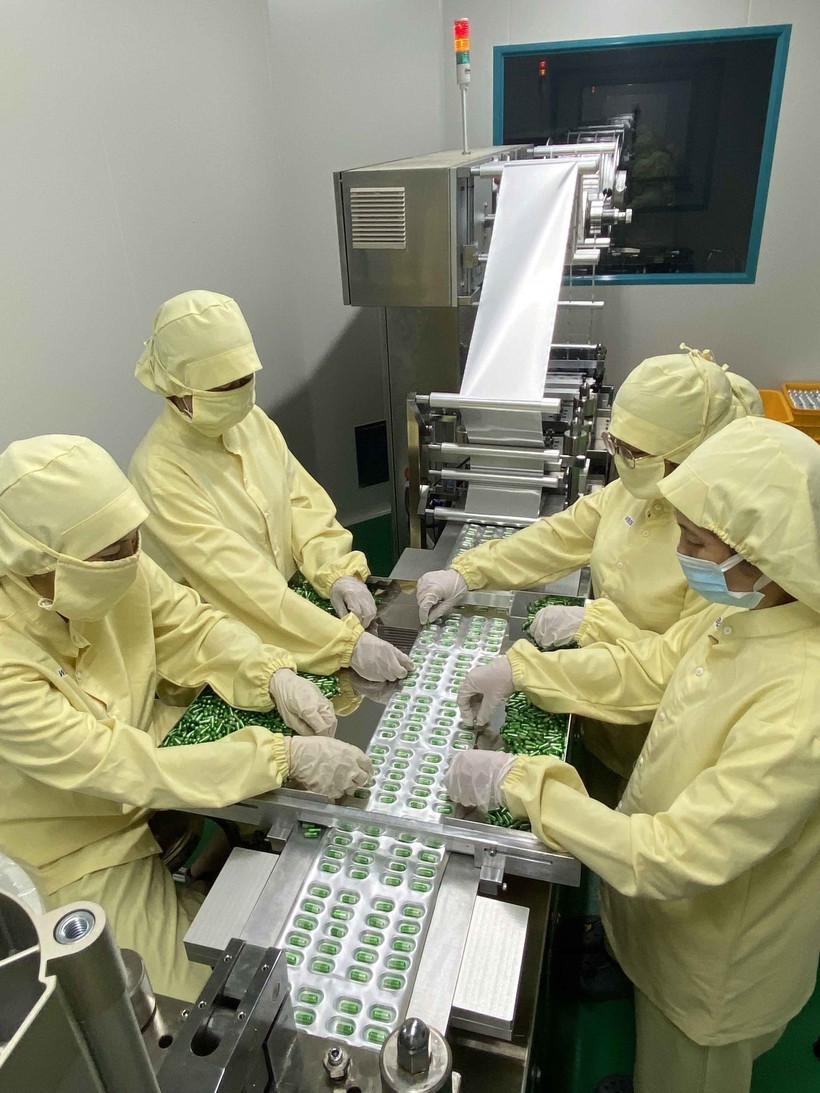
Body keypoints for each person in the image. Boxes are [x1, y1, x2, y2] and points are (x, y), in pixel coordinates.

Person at [445, 417, 820, 1093]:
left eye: (696, 542)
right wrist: (522, 670)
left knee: (685, 1069)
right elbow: (649, 669)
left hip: (714, 969)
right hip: (668, 921)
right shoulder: (747, 609)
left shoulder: (800, 703)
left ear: (762, 553)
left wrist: (521, 783)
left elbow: (672, 856)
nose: (680, 553)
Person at [0, 435, 372, 1001]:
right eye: (112, 551)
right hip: (74, 834)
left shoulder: (112, 560)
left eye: (134, 540)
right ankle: (205, 888)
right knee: (182, 991)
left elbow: (190, 626)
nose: (131, 557)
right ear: (38, 560)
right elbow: (113, 763)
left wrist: (271, 674)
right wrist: (281, 757)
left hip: (149, 742)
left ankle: (216, 866)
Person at [417, 345, 762, 781]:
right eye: (615, 442)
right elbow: (561, 536)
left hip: (663, 745)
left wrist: (578, 634)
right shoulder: (640, 490)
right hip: (595, 708)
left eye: (634, 452)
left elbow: (672, 667)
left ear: (686, 454)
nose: (620, 458)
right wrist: (467, 572)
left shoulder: (728, 544)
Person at [130, 290, 411, 683]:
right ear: (177, 388)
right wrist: (341, 644)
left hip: (288, 615)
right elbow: (237, 581)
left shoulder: (252, 422)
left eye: (245, 379)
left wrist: (337, 571)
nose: (239, 393)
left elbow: (300, 503)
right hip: (225, 651)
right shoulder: (159, 472)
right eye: (223, 387)